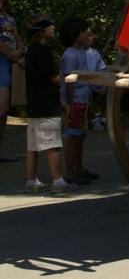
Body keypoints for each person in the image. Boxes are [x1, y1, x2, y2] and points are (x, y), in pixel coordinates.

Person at [22, 14, 77, 193]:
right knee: (52, 144)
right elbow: (53, 78)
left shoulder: (30, 50)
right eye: (50, 26)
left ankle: (31, 180)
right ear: (42, 31)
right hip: (46, 104)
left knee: (33, 146)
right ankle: (58, 181)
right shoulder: (43, 51)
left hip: (35, 105)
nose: (54, 28)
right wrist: (67, 80)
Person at [60, 18, 106, 185]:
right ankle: (71, 172)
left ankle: (79, 168)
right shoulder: (70, 55)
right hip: (76, 101)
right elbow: (69, 81)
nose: (88, 33)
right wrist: (70, 105)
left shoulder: (88, 53)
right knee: (73, 136)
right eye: (84, 30)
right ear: (75, 34)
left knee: (80, 136)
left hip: (84, 99)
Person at [0, 0, 23, 162]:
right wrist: (10, 53)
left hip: (9, 61)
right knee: (2, 105)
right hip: (2, 59)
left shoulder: (7, 14)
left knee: (4, 108)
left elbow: (16, 36)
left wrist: (19, 50)